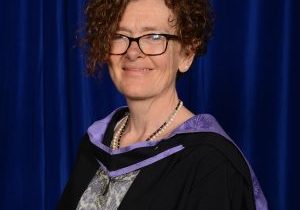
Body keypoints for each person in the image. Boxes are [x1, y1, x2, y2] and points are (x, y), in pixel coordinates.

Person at [57, 0, 268, 209]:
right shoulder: (96, 144)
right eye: (120, 36)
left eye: (154, 37)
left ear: (187, 53)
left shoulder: (211, 165)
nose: (133, 52)